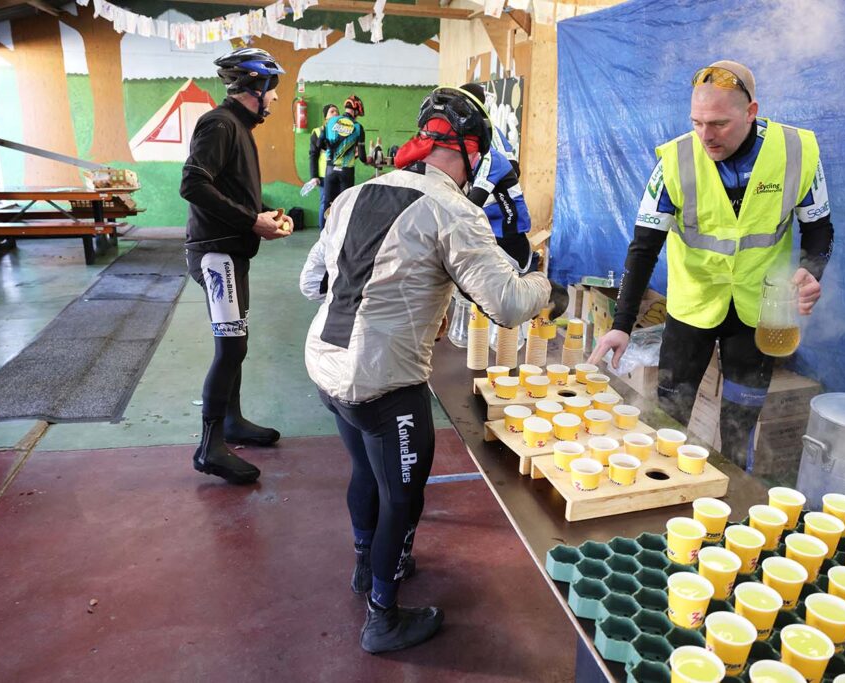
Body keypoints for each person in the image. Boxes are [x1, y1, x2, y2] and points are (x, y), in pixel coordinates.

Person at [304, 86, 567, 653]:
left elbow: (311, 283)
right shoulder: (454, 209)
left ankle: (363, 566)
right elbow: (507, 303)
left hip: (325, 364)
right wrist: (552, 290)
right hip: (382, 380)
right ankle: (382, 617)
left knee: (364, 472)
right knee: (402, 495)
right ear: (470, 152)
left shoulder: (356, 193)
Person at [589, 61, 834, 469]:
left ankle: (731, 509)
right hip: (692, 308)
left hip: (758, 312)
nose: (706, 136)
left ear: (751, 111)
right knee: (668, 418)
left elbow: (820, 229)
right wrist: (622, 324)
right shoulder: (675, 160)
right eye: (697, 122)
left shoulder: (797, 152)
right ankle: (663, 491)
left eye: (719, 123)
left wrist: (813, 269)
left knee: (740, 425)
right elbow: (644, 246)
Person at [180, 47, 293, 485]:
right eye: (273, 90)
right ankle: (210, 448)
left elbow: (233, 190)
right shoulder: (219, 123)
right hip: (216, 253)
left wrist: (263, 214)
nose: (276, 100)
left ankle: (233, 422)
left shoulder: (238, 128)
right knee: (231, 347)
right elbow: (192, 183)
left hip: (230, 252)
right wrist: (251, 221)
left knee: (236, 342)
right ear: (256, 88)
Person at [459, 83, 533, 271]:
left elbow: (468, 208)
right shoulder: (490, 133)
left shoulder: (488, 145)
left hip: (503, 233)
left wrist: (492, 183)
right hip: (491, 225)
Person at [320, 95, 368, 224]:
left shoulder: (330, 122)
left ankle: (324, 235)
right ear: (356, 111)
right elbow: (363, 157)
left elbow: (320, 145)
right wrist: (364, 159)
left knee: (327, 204)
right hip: (346, 171)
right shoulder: (358, 127)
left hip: (330, 170)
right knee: (344, 206)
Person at [306, 103, 340, 230]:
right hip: (323, 175)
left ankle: (334, 233)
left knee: (338, 204)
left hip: (339, 173)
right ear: (325, 117)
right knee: (325, 203)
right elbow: (313, 155)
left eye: (337, 111)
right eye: (332, 111)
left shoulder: (343, 133)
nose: (335, 113)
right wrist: (314, 176)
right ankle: (323, 234)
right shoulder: (317, 132)